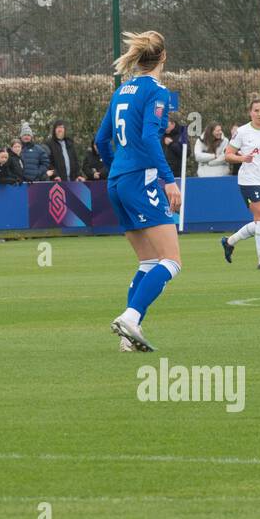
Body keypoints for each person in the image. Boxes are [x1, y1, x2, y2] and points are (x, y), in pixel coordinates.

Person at [95, 30, 183, 353]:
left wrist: (117, 166)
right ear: (163, 56)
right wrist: (169, 179)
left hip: (117, 181)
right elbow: (149, 137)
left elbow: (101, 139)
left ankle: (127, 335)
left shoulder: (122, 90)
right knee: (172, 260)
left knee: (147, 261)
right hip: (139, 179)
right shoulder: (157, 91)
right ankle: (131, 317)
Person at [222, 97, 260, 270]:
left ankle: (229, 241)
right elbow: (228, 154)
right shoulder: (242, 132)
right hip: (248, 180)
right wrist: (242, 158)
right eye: (256, 110)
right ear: (250, 112)